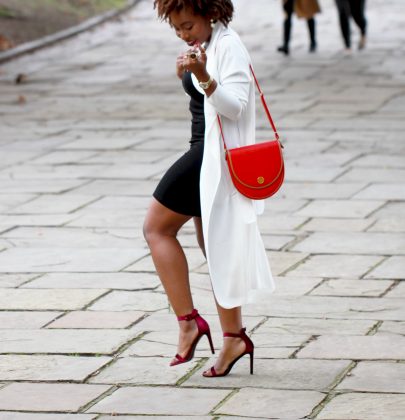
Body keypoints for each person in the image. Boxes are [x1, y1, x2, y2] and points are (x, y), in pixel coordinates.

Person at [144, 0, 275, 377]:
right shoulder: (208, 43)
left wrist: (202, 75)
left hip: (212, 155)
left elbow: (235, 106)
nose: (183, 34)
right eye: (176, 29)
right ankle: (233, 338)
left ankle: (189, 323)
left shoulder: (229, 45)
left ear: (210, 13)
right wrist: (187, 75)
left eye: (188, 26)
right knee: (214, 247)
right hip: (202, 149)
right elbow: (204, 101)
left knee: (156, 228)